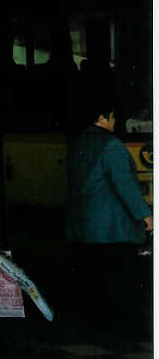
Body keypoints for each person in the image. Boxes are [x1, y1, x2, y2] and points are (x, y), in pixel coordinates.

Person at [65, 100, 153, 331]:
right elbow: (125, 184)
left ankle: (94, 323)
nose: (115, 123)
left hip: (83, 225)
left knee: (93, 279)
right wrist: (145, 216)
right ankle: (119, 327)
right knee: (117, 280)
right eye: (112, 118)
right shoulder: (111, 145)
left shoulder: (76, 144)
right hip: (111, 228)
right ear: (103, 118)